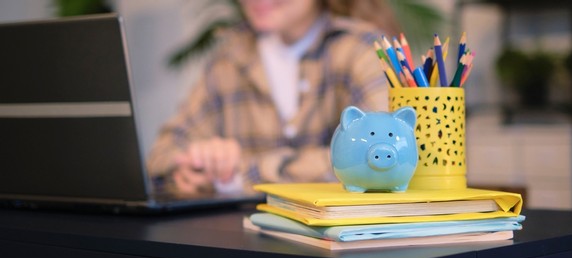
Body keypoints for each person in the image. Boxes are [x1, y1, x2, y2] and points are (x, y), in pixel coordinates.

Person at [147, 0, 400, 195]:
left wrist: (236, 174)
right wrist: (196, 166)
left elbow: (372, 159)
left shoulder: (363, 49)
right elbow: (161, 157)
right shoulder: (228, 58)